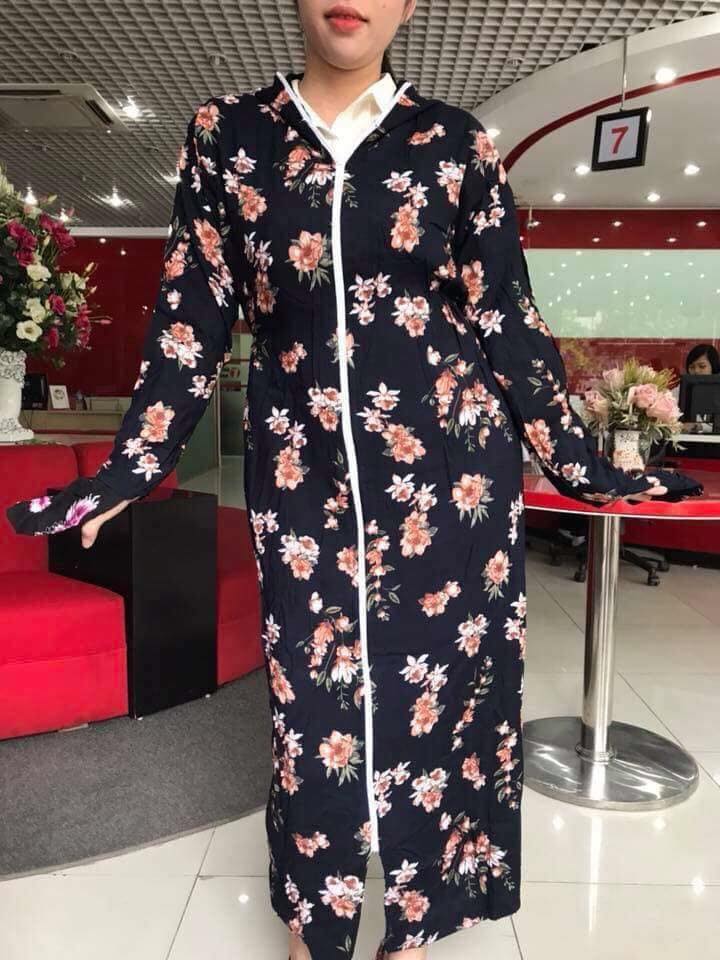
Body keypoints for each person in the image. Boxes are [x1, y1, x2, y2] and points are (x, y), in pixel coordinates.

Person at [6, 2, 704, 958]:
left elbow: (506, 317)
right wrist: (135, 461)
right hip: (302, 482)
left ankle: (415, 925)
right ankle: (316, 922)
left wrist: (584, 463)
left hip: (449, 486)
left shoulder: (456, 144)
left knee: (442, 699)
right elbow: (192, 311)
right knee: (313, 713)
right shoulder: (228, 136)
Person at [675, 343, 720, 431]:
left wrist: (700, 426)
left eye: (702, 366)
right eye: (692, 367)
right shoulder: (678, 391)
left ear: (713, 367)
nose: (696, 371)